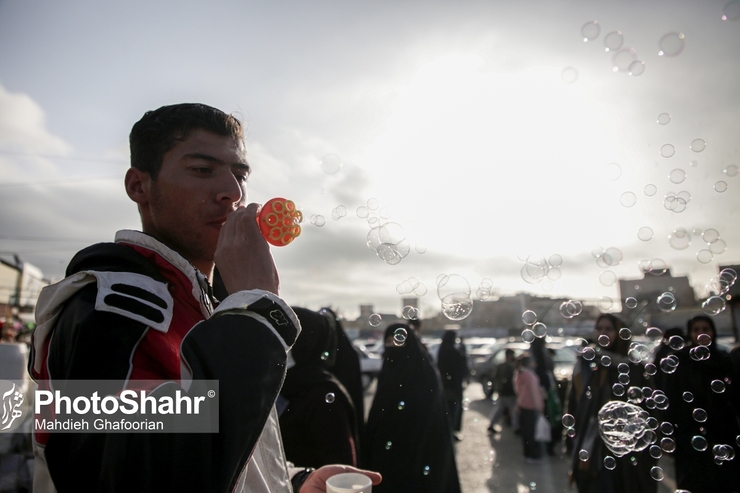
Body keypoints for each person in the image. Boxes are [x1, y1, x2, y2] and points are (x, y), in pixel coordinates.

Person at [28, 103, 380, 493]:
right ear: (139, 186)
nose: (233, 191)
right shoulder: (111, 307)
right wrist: (257, 313)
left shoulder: (201, 303)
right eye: (202, 170)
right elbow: (145, 472)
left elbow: (213, 444)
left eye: (240, 173)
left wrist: (293, 481)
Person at [363, 323, 461, 493]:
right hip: (388, 457)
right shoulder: (388, 371)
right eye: (388, 342)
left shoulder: (425, 374)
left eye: (398, 341)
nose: (393, 346)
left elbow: (434, 422)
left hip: (420, 455)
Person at [567, 314, 656, 493]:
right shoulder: (585, 364)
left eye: (608, 329)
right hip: (591, 444)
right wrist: (570, 436)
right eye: (599, 329)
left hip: (627, 449)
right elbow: (574, 404)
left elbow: (648, 407)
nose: (603, 333)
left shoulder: (634, 368)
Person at [663, 315, 740, 493]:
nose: (701, 333)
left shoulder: (723, 360)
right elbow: (670, 399)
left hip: (722, 430)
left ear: (713, 332)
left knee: (724, 480)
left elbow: (735, 396)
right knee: (694, 481)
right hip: (688, 433)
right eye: (696, 329)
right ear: (690, 333)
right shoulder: (680, 361)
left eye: (705, 329)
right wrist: (667, 432)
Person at [278, 307, 360, 468]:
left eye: (288, 338)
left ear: (306, 341)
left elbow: (340, 464)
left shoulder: (323, 394)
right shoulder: (285, 383)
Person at [530, 337, 562, 455]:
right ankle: (548, 446)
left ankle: (543, 445)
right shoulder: (544, 364)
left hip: (541, 398)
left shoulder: (535, 361)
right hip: (546, 398)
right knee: (550, 422)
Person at [436, 330, 470, 440]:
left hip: (445, 385)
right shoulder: (452, 351)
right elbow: (459, 368)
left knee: (447, 409)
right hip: (453, 386)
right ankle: (450, 432)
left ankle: (446, 431)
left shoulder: (442, 349)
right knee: (453, 410)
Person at [514, 354, 544, 462]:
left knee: (526, 433)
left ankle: (527, 454)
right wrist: (540, 406)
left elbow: (517, 391)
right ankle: (532, 454)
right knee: (531, 432)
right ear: (530, 363)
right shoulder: (531, 376)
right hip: (531, 407)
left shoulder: (519, 374)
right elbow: (535, 393)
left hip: (521, 405)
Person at [487, 348, 518, 434]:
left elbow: (495, 377)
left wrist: (497, 389)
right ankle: (516, 428)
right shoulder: (511, 366)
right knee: (513, 410)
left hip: (502, 391)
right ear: (509, 356)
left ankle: (491, 424)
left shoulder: (500, 365)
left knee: (499, 409)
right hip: (510, 392)